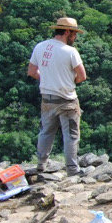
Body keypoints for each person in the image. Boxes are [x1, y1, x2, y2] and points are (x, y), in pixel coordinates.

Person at [28, 16, 88, 176]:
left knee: (46, 131)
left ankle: (41, 165)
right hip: (67, 100)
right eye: (74, 33)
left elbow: (32, 72)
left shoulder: (40, 47)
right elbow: (82, 76)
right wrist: (68, 79)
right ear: (67, 32)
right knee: (71, 135)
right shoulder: (70, 52)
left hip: (47, 98)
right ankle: (73, 170)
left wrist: (48, 78)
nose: (75, 37)